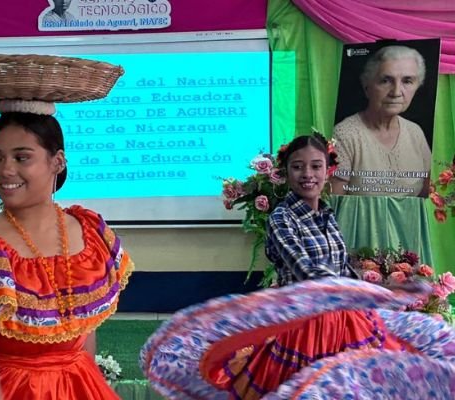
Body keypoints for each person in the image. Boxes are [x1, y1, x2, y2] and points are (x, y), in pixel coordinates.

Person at [140, 133, 455, 399]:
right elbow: (308, 274)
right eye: (298, 167)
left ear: (328, 171)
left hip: (349, 323)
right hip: (307, 328)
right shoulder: (282, 219)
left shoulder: (327, 216)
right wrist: (375, 292)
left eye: (316, 166)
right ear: (286, 173)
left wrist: (382, 289)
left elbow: (345, 270)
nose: (308, 174)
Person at [0, 56, 132, 400]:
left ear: (57, 161)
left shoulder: (89, 232)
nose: (5, 170)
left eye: (22, 157)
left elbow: (85, 336)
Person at [332, 45, 432, 197]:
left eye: (407, 81)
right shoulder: (344, 135)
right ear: (367, 87)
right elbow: (333, 204)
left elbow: (428, 196)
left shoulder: (415, 132)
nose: (396, 92)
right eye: (385, 81)